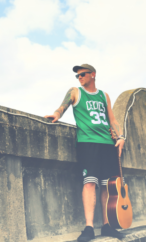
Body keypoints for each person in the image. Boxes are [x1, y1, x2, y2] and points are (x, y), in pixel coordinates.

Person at [44, 64, 126, 242]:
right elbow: (63, 107)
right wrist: (56, 114)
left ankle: (107, 225)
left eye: (82, 74)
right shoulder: (75, 91)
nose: (79, 77)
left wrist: (121, 136)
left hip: (107, 144)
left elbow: (112, 119)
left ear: (93, 75)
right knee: (89, 183)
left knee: (106, 186)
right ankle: (89, 227)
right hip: (87, 143)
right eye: (77, 75)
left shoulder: (104, 95)